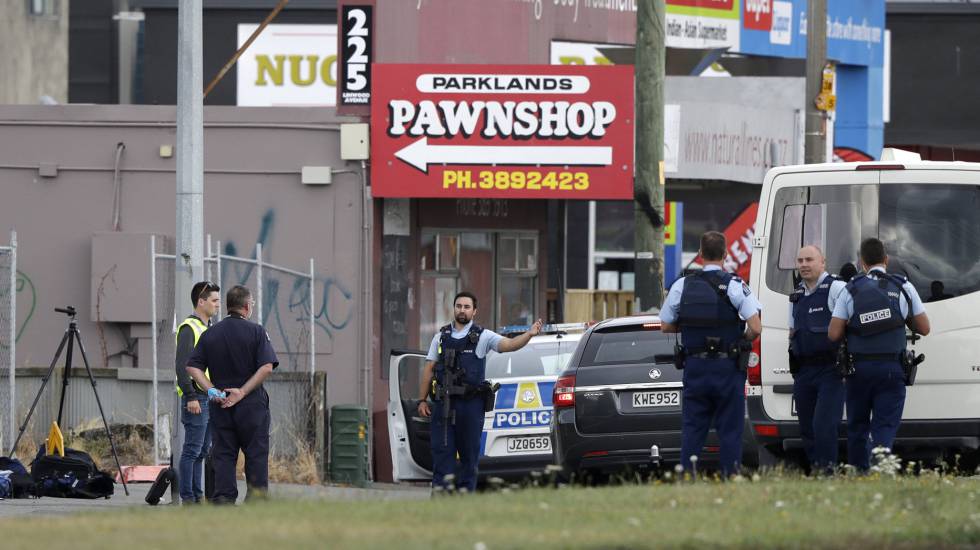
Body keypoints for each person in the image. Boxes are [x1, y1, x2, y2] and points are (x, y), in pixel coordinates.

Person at [417, 291, 542, 492]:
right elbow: (429, 369)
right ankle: (441, 500)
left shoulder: (483, 336)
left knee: (469, 457)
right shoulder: (440, 337)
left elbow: (508, 345)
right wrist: (422, 400)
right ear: (454, 308)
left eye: (467, 307)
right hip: (444, 405)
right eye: (459, 306)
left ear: (474, 311)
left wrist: (528, 334)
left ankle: (466, 498)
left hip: (470, 406)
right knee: (442, 455)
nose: (462, 310)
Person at [661, 231, 762, 478]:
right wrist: (742, 339)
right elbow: (756, 327)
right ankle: (730, 475)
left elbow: (665, 325)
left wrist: (689, 328)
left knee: (693, 426)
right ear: (726, 255)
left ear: (700, 254)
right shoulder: (735, 285)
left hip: (695, 366)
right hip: (727, 368)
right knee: (730, 427)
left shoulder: (682, 285)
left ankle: (687, 475)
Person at [828, 238, 930, 471]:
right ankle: (879, 470)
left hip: (859, 371)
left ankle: (859, 473)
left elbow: (833, 334)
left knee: (857, 426)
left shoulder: (850, 288)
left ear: (861, 262)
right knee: (884, 426)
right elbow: (924, 328)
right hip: (891, 371)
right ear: (886, 260)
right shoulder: (903, 286)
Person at [186, 285, 278, 504]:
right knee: (255, 453)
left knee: (224, 454)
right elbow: (266, 367)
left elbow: (192, 367)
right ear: (247, 306)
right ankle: (256, 499)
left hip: (221, 403)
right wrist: (243, 392)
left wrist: (212, 390)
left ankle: (224, 498)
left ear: (228, 306)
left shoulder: (210, 334)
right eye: (252, 304)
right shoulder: (256, 331)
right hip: (252, 405)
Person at [788, 246, 847, 474]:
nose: (803, 264)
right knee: (807, 427)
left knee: (824, 425)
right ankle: (817, 470)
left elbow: (849, 326)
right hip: (804, 370)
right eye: (800, 260)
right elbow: (792, 331)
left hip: (831, 370)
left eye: (809, 259)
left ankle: (827, 472)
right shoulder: (796, 295)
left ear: (823, 262)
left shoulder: (837, 288)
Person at [174, 280, 220, 504]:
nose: (217, 305)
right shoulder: (188, 328)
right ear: (201, 302)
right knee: (192, 450)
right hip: (196, 397)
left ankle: (198, 495)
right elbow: (183, 365)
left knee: (202, 451)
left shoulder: (208, 328)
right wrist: (191, 396)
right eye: (214, 300)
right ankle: (188, 499)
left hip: (209, 397)